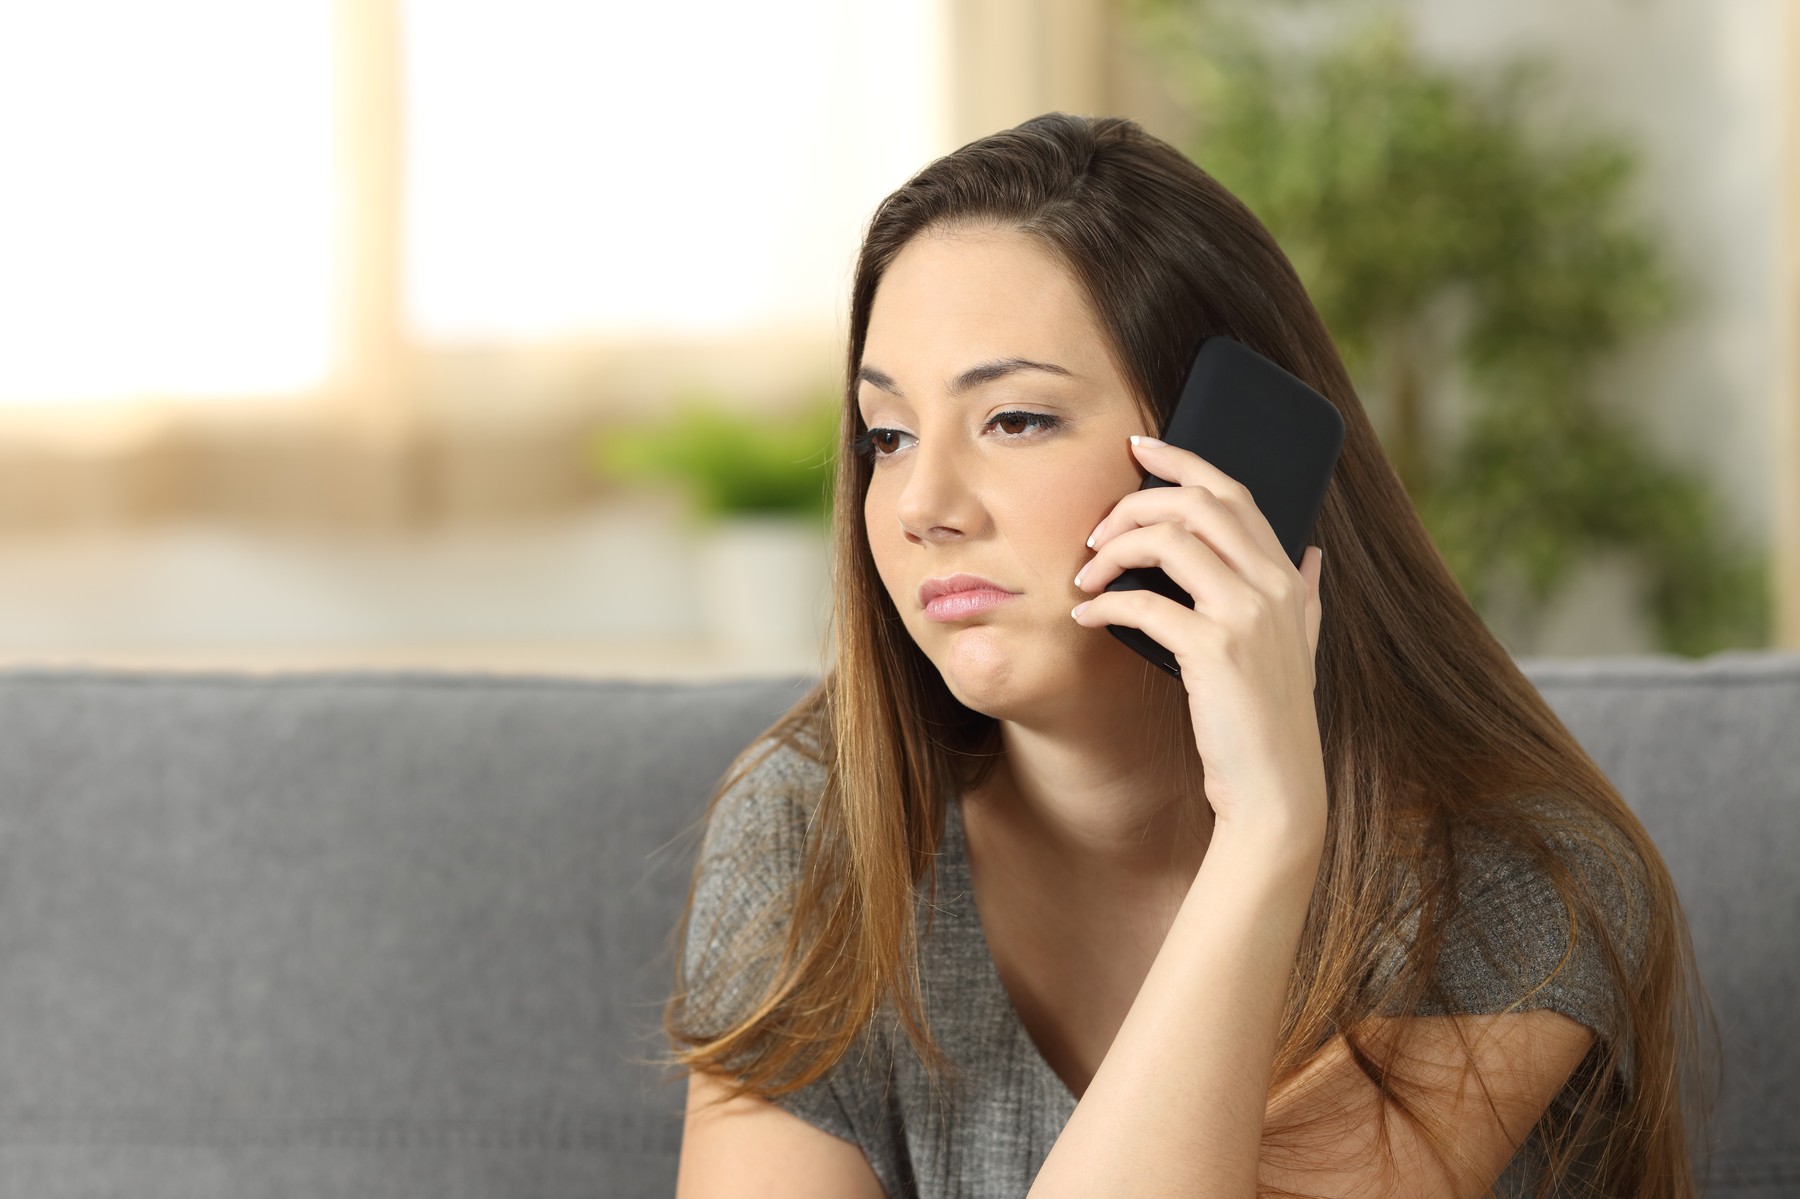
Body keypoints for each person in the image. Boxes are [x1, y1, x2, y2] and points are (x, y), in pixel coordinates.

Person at [659, 112, 1716, 1198]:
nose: (922, 505)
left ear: (1226, 460)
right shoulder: (812, 825)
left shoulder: (1508, 877)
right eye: (888, 434)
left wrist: (1265, 834)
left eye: (1015, 419)